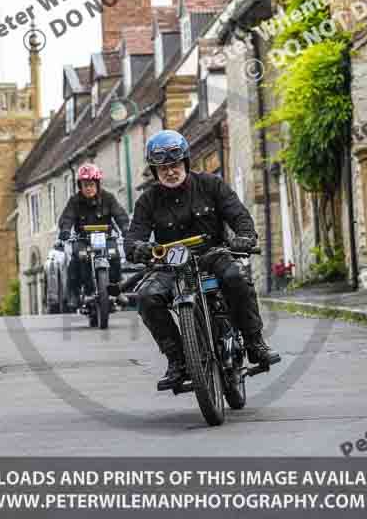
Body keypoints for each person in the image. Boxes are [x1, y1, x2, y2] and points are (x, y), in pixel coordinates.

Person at [125, 129, 280, 390]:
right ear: (155, 171)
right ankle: (178, 360)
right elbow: (132, 239)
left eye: (174, 165)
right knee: (146, 297)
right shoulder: (147, 201)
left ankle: (255, 343)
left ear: (184, 162)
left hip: (213, 255)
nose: (170, 172)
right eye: (163, 168)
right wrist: (140, 248)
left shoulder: (210, 185)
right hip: (172, 263)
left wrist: (244, 236)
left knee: (235, 278)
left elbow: (239, 215)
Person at [58, 164, 129, 298]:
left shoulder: (109, 198)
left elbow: (119, 214)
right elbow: (67, 217)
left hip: (106, 237)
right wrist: (65, 230)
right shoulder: (74, 201)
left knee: (114, 255)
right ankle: (75, 292)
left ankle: (117, 288)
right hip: (83, 239)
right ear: (80, 186)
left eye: (91, 184)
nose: (88, 188)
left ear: (97, 184)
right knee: (78, 258)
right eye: (85, 185)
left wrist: (125, 228)